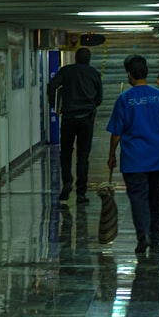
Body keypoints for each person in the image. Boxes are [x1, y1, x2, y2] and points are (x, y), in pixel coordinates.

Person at [106, 55, 159, 254]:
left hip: (134, 160)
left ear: (129, 74)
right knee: (156, 198)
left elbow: (116, 132)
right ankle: (156, 237)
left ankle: (143, 235)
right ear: (147, 73)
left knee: (138, 198)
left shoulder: (124, 99)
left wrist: (112, 155)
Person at [47, 47, 103, 203]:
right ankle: (81, 192)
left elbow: (51, 86)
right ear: (89, 59)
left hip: (68, 117)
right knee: (83, 156)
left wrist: (55, 105)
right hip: (86, 118)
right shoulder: (94, 74)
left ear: (76, 58)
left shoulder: (66, 71)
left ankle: (67, 182)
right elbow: (99, 99)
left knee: (65, 152)